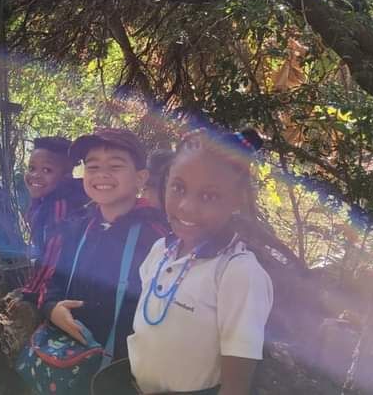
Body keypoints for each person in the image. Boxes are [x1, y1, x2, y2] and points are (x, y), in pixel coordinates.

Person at [94, 129, 274, 395]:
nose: (187, 207)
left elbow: (236, 385)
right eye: (178, 188)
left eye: (209, 196)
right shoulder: (161, 250)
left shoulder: (238, 273)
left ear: (238, 200)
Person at [41, 129, 166, 369]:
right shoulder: (76, 227)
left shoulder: (157, 238)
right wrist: (52, 308)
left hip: (125, 369)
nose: (102, 175)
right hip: (71, 360)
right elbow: (53, 281)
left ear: (141, 178)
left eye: (115, 166)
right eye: (93, 167)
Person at [15, 136, 90, 305]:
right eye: (32, 168)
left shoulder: (60, 207)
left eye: (47, 170)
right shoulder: (45, 200)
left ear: (66, 176)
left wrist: (32, 291)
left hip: (62, 293)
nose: (35, 176)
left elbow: (52, 256)